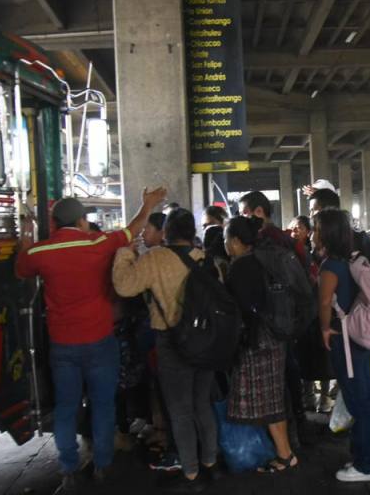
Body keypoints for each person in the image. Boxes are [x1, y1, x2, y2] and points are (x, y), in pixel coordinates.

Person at [15, 188, 167, 492]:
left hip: (63, 345)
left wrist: (27, 238)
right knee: (102, 403)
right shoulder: (97, 243)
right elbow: (132, 229)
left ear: (55, 224)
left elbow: (21, 268)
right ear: (82, 221)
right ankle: (102, 464)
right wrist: (148, 203)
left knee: (66, 407)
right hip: (99, 340)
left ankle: (69, 468)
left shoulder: (41, 253)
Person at [112, 208, 219, 493]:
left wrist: (125, 253)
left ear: (167, 232)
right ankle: (211, 462)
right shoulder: (204, 258)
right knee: (202, 404)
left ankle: (191, 473)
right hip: (206, 342)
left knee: (180, 410)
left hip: (172, 343)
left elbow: (124, 285)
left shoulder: (156, 258)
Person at [314, 209, 370, 481]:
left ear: (326, 233)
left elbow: (324, 302)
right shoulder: (354, 259)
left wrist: (324, 328)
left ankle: (367, 465)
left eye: (316, 228)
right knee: (365, 400)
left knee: (358, 402)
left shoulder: (330, 266)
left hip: (343, 338)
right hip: (359, 337)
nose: (313, 233)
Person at [223, 216, 298, 474]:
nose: (225, 245)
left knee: (267, 399)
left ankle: (285, 455)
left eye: (226, 239)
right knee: (272, 397)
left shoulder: (240, 267)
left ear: (235, 241)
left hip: (257, 340)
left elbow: (240, 309)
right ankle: (282, 452)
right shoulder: (264, 259)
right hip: (275, 335)